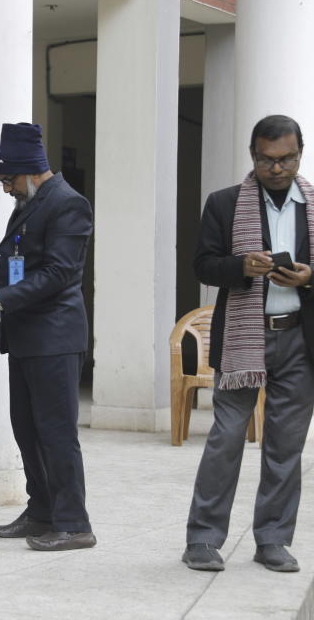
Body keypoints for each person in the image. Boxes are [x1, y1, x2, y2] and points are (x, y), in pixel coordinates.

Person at [182, 114, 314, 573]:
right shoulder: (223, 203)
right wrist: (241, 267)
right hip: (243, 337)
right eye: (266, 159)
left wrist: (308, 276)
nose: (277, 168)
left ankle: (273, 540)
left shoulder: (313, 204)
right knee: (226, 438)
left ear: (300, 153)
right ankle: (202, 539)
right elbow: (202, 266)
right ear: (252, 154)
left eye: (287, 159)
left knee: (286, 446)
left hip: (298, 337)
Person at [0, 122, 95, 552]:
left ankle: (74, 524)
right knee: (27, 430)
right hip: (25, 337)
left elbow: (59, 272)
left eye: (8, 179)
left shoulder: (70, 205)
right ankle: (41, 511)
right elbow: (19, 258)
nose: (5, 188)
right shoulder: (30, 202)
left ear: (30, 169)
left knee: (56, 433)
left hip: (54, 338)